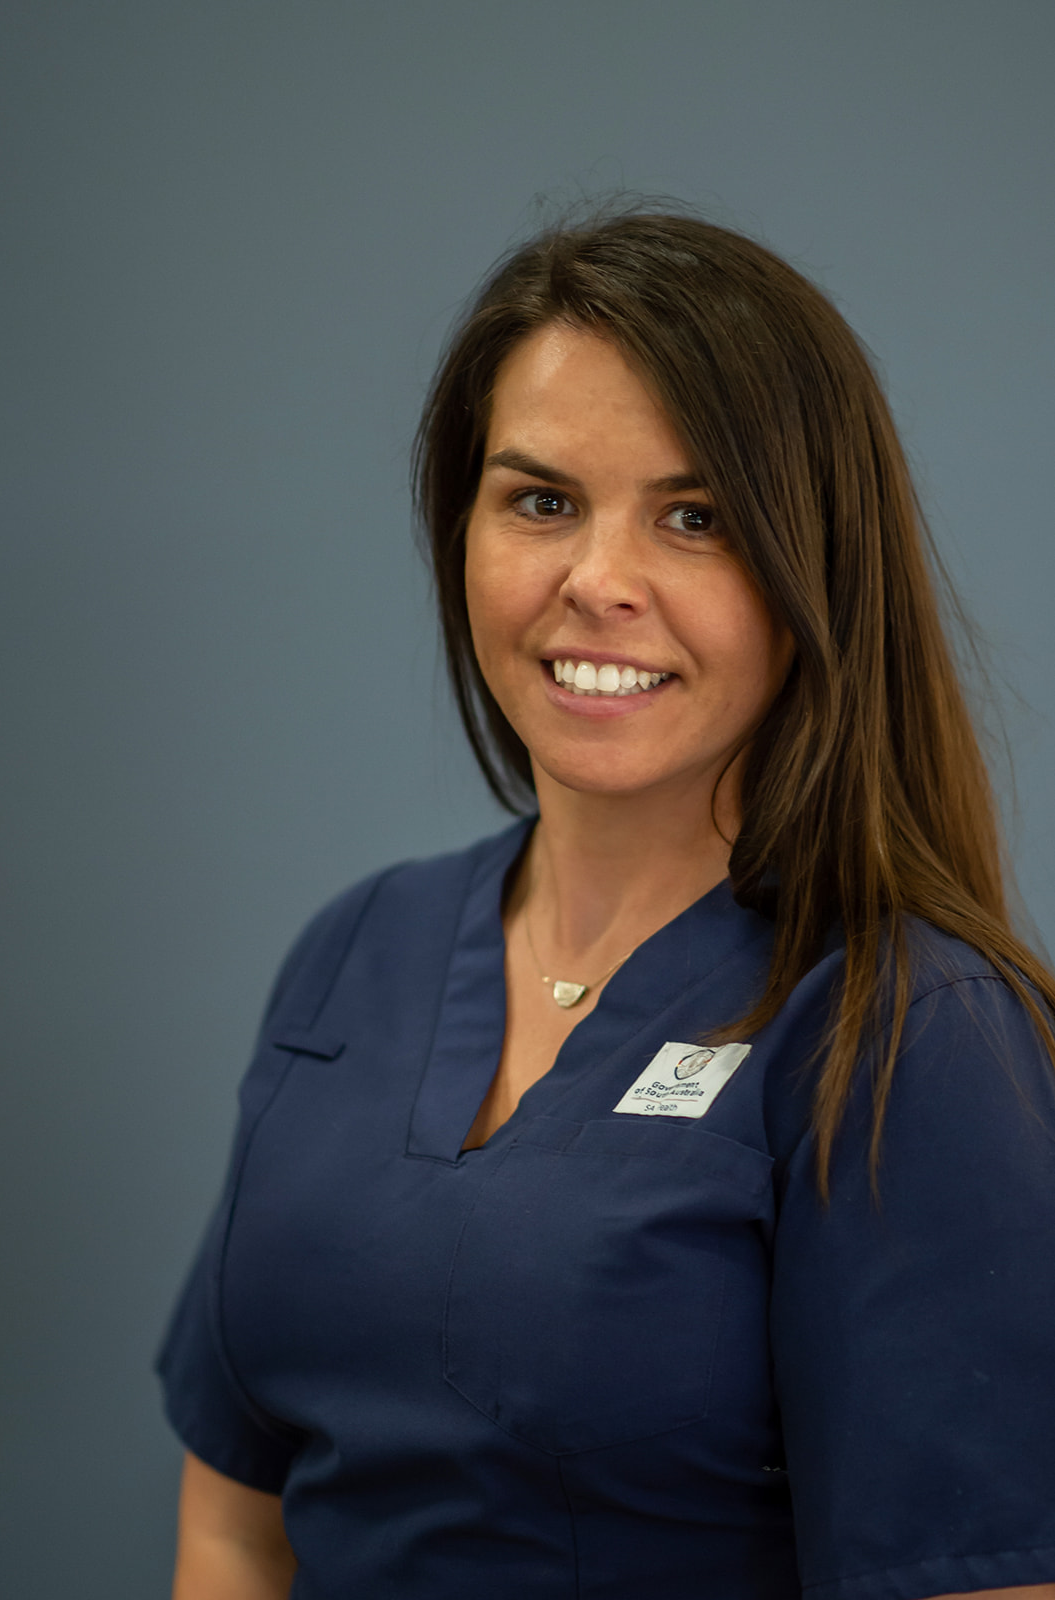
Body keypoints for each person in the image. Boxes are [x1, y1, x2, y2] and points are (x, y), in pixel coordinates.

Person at [158, 208, 1055, 1600]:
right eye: (540, 501)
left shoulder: (902, 1033)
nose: (598, 584)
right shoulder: (357, 954)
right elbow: (236, 1528)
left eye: (693, 519)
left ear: (813, 570)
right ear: (460, 527)